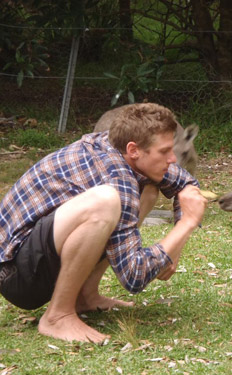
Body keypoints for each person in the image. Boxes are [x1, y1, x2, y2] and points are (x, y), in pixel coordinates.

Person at [0, 103, 207, 343]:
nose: (172, 159)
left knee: (149, 189)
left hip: (39, 256)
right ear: (134, 150)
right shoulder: (117, 176)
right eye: (164, 152)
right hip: (16, 275)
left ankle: (85, 297)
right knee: (106, 201)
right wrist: (185, 224)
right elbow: (134, 276)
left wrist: (174, 251)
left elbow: (187, 184)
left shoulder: (121, 149)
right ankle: (58, 316)